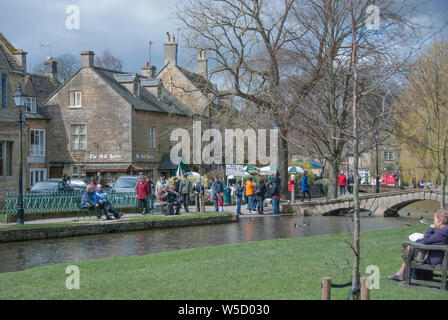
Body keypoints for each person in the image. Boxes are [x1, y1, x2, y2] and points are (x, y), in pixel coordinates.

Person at [387, 209, 448, 282]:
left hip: (435, 259)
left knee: (409, 248)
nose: (434, 222)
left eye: (435, 219)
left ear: (440, 221)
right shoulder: (444, 230)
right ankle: (402, 274)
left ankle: (403, 275)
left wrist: (430, 228)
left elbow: (426, 241)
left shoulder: (443, 231)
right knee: (414, 246)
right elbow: (433, 240)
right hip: (439, 255)